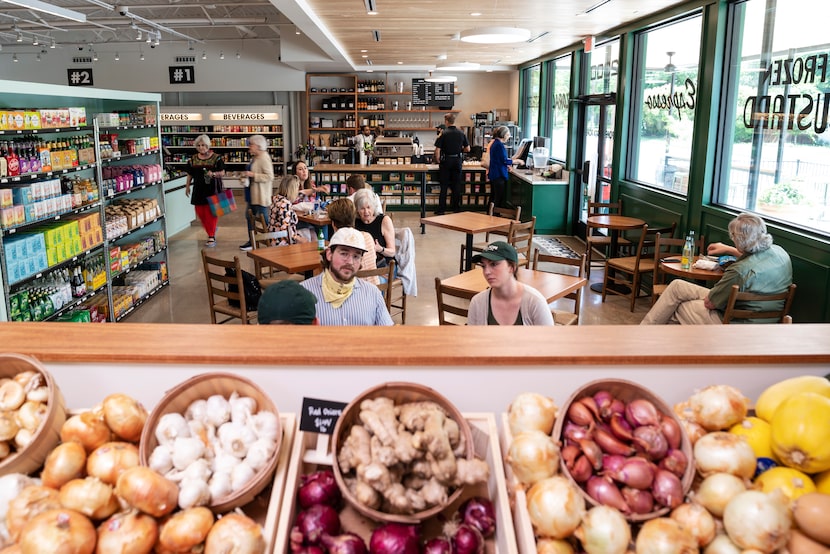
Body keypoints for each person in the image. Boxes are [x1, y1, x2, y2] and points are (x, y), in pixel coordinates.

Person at [641, 212, 793, 325]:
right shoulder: (780, 253)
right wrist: (729, 249)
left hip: (737, 324)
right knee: (677, 287)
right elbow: (754, 251)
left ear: (738, 239)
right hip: (769, 321)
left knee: (679, 308)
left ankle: (642, 338)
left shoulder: (739, 271)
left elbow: (710, 303)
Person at [299, 227, 394, 326]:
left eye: (356, 256)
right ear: (329, 254)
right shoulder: (303, 294)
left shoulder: (373, 293)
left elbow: (388, 336)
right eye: (344, 254)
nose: (350, 262)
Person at [467, 241, 554, 326]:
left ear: (512, 267)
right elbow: (470, 339)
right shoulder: (477, 303)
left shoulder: (535, 302)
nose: (486, 272)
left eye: (493, 264)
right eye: (483, 266)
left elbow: (549, 339)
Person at [184, 134, 225, 247]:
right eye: (199, 145)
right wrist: (187, 186)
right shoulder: (192, 159)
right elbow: (189, 174)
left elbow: (222, 172)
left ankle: (211, 236)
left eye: (203, 145)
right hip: (198, 189)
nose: (201, 147)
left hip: (212, 189)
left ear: (208, 145)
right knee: (200, 212)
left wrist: (213, 174)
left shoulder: (217, 158)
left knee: (211, 213)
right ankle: (211, 228)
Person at [326, 198, 377, 280]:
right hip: (375, 285)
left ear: (333, 224)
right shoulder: (367, 236)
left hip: (352, 289)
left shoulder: (336, 245)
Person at [240, 134, 274, 251]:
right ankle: (253, 240)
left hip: (261, 196)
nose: (249, 146)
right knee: (250, 217)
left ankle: (270, 240)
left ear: (258, 146)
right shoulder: (255, 157)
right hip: (252, 194)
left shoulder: (264, 158)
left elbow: (270, 176)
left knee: (263, 219)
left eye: (251, 144)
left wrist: (253, 175)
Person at [433, 113, 470, 214]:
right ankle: (456, 208)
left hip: (446, 161)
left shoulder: (444, 133)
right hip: (457, 161)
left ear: (446, 121)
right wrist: (459, 149)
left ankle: (441, 209)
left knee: (444, 186)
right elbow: (468, 148)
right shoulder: (461, 133)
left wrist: (438, 160)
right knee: (456, 185)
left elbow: (437, 150)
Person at [354, 187, 395, 267]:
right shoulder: (355, 222)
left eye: (368, 207)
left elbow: (392, 252)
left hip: (383, 267)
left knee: (365, 279)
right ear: (357, 209)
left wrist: (380, 249)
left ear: (374, 206)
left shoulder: (384, 221)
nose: (366, 212)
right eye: (362, 208)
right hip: (362, 266)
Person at [267, 175, 306, 245]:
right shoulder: (285, 205)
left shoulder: (276, 199)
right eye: (297, 188)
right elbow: (285, 230)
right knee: (309, 237)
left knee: (308, 233)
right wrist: (299, 238)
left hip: (273, 237)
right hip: (282, 242)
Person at [487, 126, 514, 209]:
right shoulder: (499, 145)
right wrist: (516, 161)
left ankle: (490, 214)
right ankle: (495, 216)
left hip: (494, 173)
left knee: (493, 197)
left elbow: (499, 159)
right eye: (508, 134)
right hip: (499, 174)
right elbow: (504, 160)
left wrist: (507, 165)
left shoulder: (495, 143)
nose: (509, 136)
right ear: (504, 135)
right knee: (498, 198)